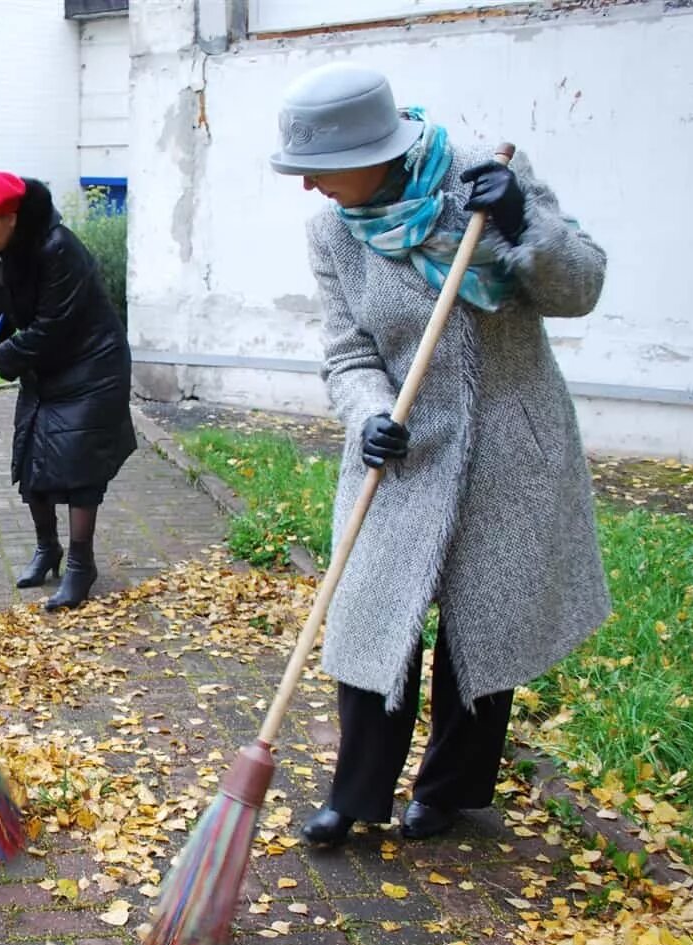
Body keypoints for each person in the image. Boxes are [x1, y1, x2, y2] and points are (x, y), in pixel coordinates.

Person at [267, 64, 610, 846]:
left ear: (376, 151)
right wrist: (367, 415)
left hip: (507, 446)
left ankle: (449, 791)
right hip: (400, 451)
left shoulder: (486, 179)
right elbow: (346, 352)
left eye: (318, 170)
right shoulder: (331, 232)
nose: (308, 188)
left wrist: (526, 223)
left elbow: (580, 286)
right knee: (369, 617)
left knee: (480, 624)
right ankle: (354, 796)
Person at [0, 170, 136, 610]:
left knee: (79, 466)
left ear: (10, 216)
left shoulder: (58, 249)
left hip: (92, 363)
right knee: (33, 456)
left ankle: (80, 566)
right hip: (44, 366)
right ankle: (47, 549)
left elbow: (55, 325)